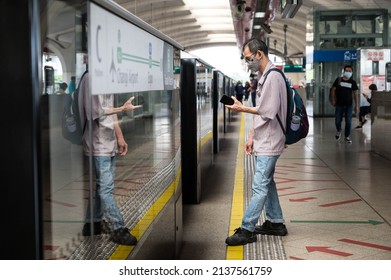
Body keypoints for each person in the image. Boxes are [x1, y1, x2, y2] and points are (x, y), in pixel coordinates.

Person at [224, 37, 288, 246]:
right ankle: (276, 223)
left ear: (259, 54)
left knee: (259, 185)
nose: (247, 62)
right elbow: (261, 113)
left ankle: (247, 229)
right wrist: (252, 136)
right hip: (264, 138)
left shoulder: (273, 77)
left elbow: (267, 111)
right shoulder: (264, 76)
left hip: (271, 140)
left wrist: (240, 108)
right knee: (267, 182)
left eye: (248, 58)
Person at [79, 71, 142, 245]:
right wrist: (122, 108)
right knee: (106, 188)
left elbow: (112, 112)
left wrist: (120, 137)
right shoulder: (90, 78)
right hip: (96, 143)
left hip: (109, 142)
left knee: (102, 186)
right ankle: (118, 227)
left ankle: (92, 224)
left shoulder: (107, 77)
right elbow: (95, 112)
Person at [330, 65, 359, 143]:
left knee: (348, 121)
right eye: (347, 70)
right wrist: (332, 99)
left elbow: (356, 94)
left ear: (352, 72)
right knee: (338, 120)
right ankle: (339, 130)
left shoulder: (353, 82)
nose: (348, 72)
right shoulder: (338, 80)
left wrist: (356, 105)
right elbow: (333, 90)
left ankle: (347, 136)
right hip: (339, 104)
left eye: (350, 71)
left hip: (349, 105)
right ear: (344, 71)